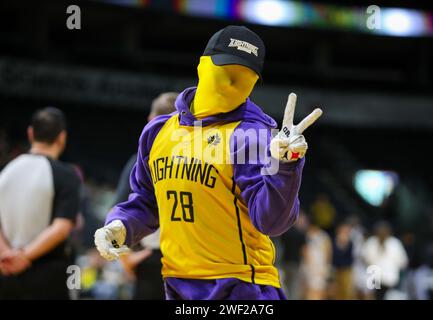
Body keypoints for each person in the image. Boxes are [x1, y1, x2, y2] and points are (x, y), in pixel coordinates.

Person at [95, 25, 322, 300]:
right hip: (177, 284)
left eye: (247, 76)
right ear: (203, 65)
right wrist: (122, 225)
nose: (234, 82)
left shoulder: (251, 134)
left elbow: (271, 222)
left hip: (240, 287)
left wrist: (286, 166)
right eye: (227, 68)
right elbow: (146, 202)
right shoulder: (157, 132)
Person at [0, 107, 81, 299]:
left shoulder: (5, 171)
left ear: (30, 133)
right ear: (62, 137)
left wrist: (7, 254)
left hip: (5, 270)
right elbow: (62, 227)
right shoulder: (67, 175)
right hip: (47, 276)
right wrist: (24, 256)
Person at [116, 92, 177, 300]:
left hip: (153, 260)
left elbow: (118, 211)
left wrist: (125, 259)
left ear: (151, 121)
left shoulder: (140, 161)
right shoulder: (197, 159)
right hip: (189, 258)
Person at [362, 221, 408, 300]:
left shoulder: (373, 241)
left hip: (377, 279)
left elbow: (365, 259)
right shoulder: (394, 243)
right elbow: (403, 262)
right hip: (384, 280)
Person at [301, 213, 332, 300]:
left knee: (320, 290)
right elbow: (304, 251)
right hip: (309, 267)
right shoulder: (306, 235)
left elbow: (328, 251)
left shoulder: (323, 236)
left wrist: (326, 267)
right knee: (308, 290)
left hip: (320, 267)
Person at [331, 221, 354, 299]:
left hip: (346, 270)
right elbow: (334, 255)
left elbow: (350, 257)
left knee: (346, 291)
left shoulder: (350, 243)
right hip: (335, 269)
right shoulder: (334, 241)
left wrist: (345, 244)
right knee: (334, 291)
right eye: (343, 230)